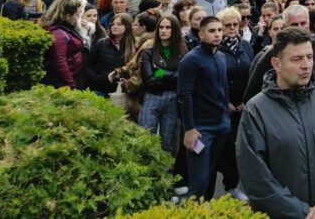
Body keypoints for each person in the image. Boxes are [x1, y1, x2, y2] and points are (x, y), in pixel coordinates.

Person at [236, 28, 315, 219]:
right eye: (297, 59)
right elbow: (256, 179)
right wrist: (304, 213)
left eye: (310, 57)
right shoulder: (257, 110)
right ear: (276, 64)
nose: (306, 65)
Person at [178, 15, 230, 200]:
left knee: (210, 176)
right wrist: (190, 129)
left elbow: (223, 86)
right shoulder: (190, 60)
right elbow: (184, 96)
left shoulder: (221, 56)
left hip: (221, 126)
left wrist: (226, 111)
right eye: (212, 31)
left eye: (219, 30)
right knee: (198, 182)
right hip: (201, 131)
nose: (217, 34)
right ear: (201, 34)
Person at [216, 6, 255, 200]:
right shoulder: (216, 49)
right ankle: (230, 184)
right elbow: (214, 79)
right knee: (229, 147)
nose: (232, 28)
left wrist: (247, 100)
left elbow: (253, 73)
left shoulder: (246, 45)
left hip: (244, 104)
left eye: (235, 24)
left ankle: (244, 183)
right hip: (226, 106)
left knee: (246, 144)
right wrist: (226, 103)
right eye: (227, 25)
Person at [139, 15, 186, 153]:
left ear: (175, 30)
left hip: (173, 98)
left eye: (168, 27)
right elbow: (150, 79)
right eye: (161, 27)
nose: (163, 30)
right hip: (151, 97)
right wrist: (171, 73)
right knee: (145, 139)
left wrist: (161, 72)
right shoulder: (148, 52)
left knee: (167, 143)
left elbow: (182, 76)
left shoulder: (182, 52)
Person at [84, 13, 136, 97]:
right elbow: (88, 66)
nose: (115, 26)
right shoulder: (101, 43)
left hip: (124, 91)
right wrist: (97, 79)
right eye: (113, 24)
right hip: (101, 89)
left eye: (119, 24)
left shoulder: (134, 45)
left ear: (127, 26)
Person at [41, 0, 85, 88]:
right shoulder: (59, 33)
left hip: (68, 77)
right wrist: (70, 84)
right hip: (60, 82)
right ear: (68, 16)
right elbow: (59, 62)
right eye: (77, 15)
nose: (78, 18)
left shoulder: (65, 28)